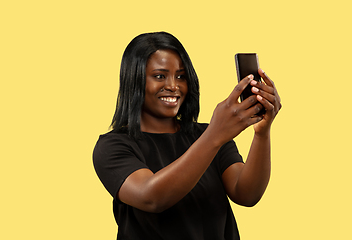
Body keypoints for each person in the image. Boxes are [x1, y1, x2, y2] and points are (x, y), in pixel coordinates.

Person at [93, 31, 281, 240]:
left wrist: (262, 133)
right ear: (134, 80)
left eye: (181, 76)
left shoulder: (207, 134)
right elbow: (152, 198)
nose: (173, 86)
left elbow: (246, 193)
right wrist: (214, 136)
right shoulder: (113, 146)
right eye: (159, 76)